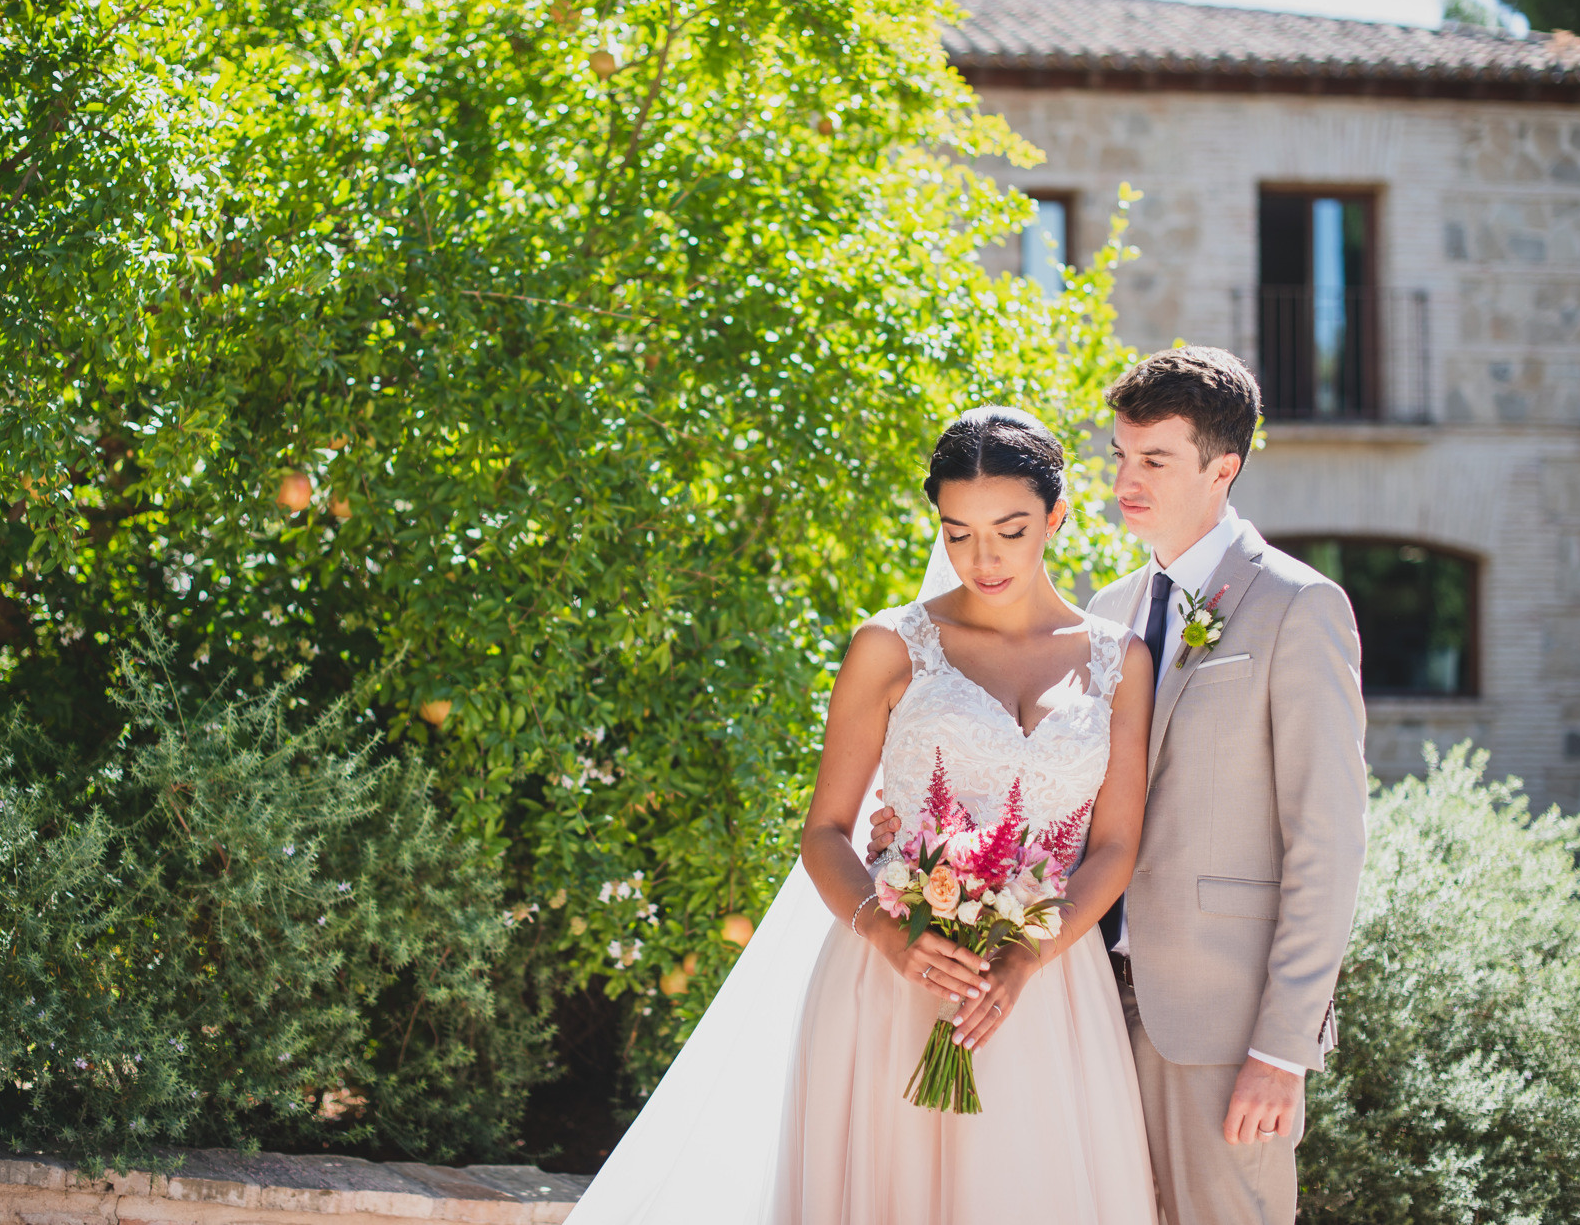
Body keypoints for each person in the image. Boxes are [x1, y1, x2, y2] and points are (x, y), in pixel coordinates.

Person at [567, 406, 1160, 1225]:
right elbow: (824, 833)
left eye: (1010, 530)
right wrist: (889, 934)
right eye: (958, 533)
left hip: (1046, 986)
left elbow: (1116, 845)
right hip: (891, 980)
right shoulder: (889, 644)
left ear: (1056, 517)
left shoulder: (1120, 658)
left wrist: (1028, 956)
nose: (983, 558)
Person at [869, 346, 1369, 1225]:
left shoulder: (1299, 606)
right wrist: (920, 838)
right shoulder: (1109, 610)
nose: (1126, 481)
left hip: (1219, 1027)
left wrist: (1282, 1048)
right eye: (1121, 454)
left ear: (1223, 468)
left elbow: (1328, 845)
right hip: (1081, 1005)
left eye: (1155, 460)